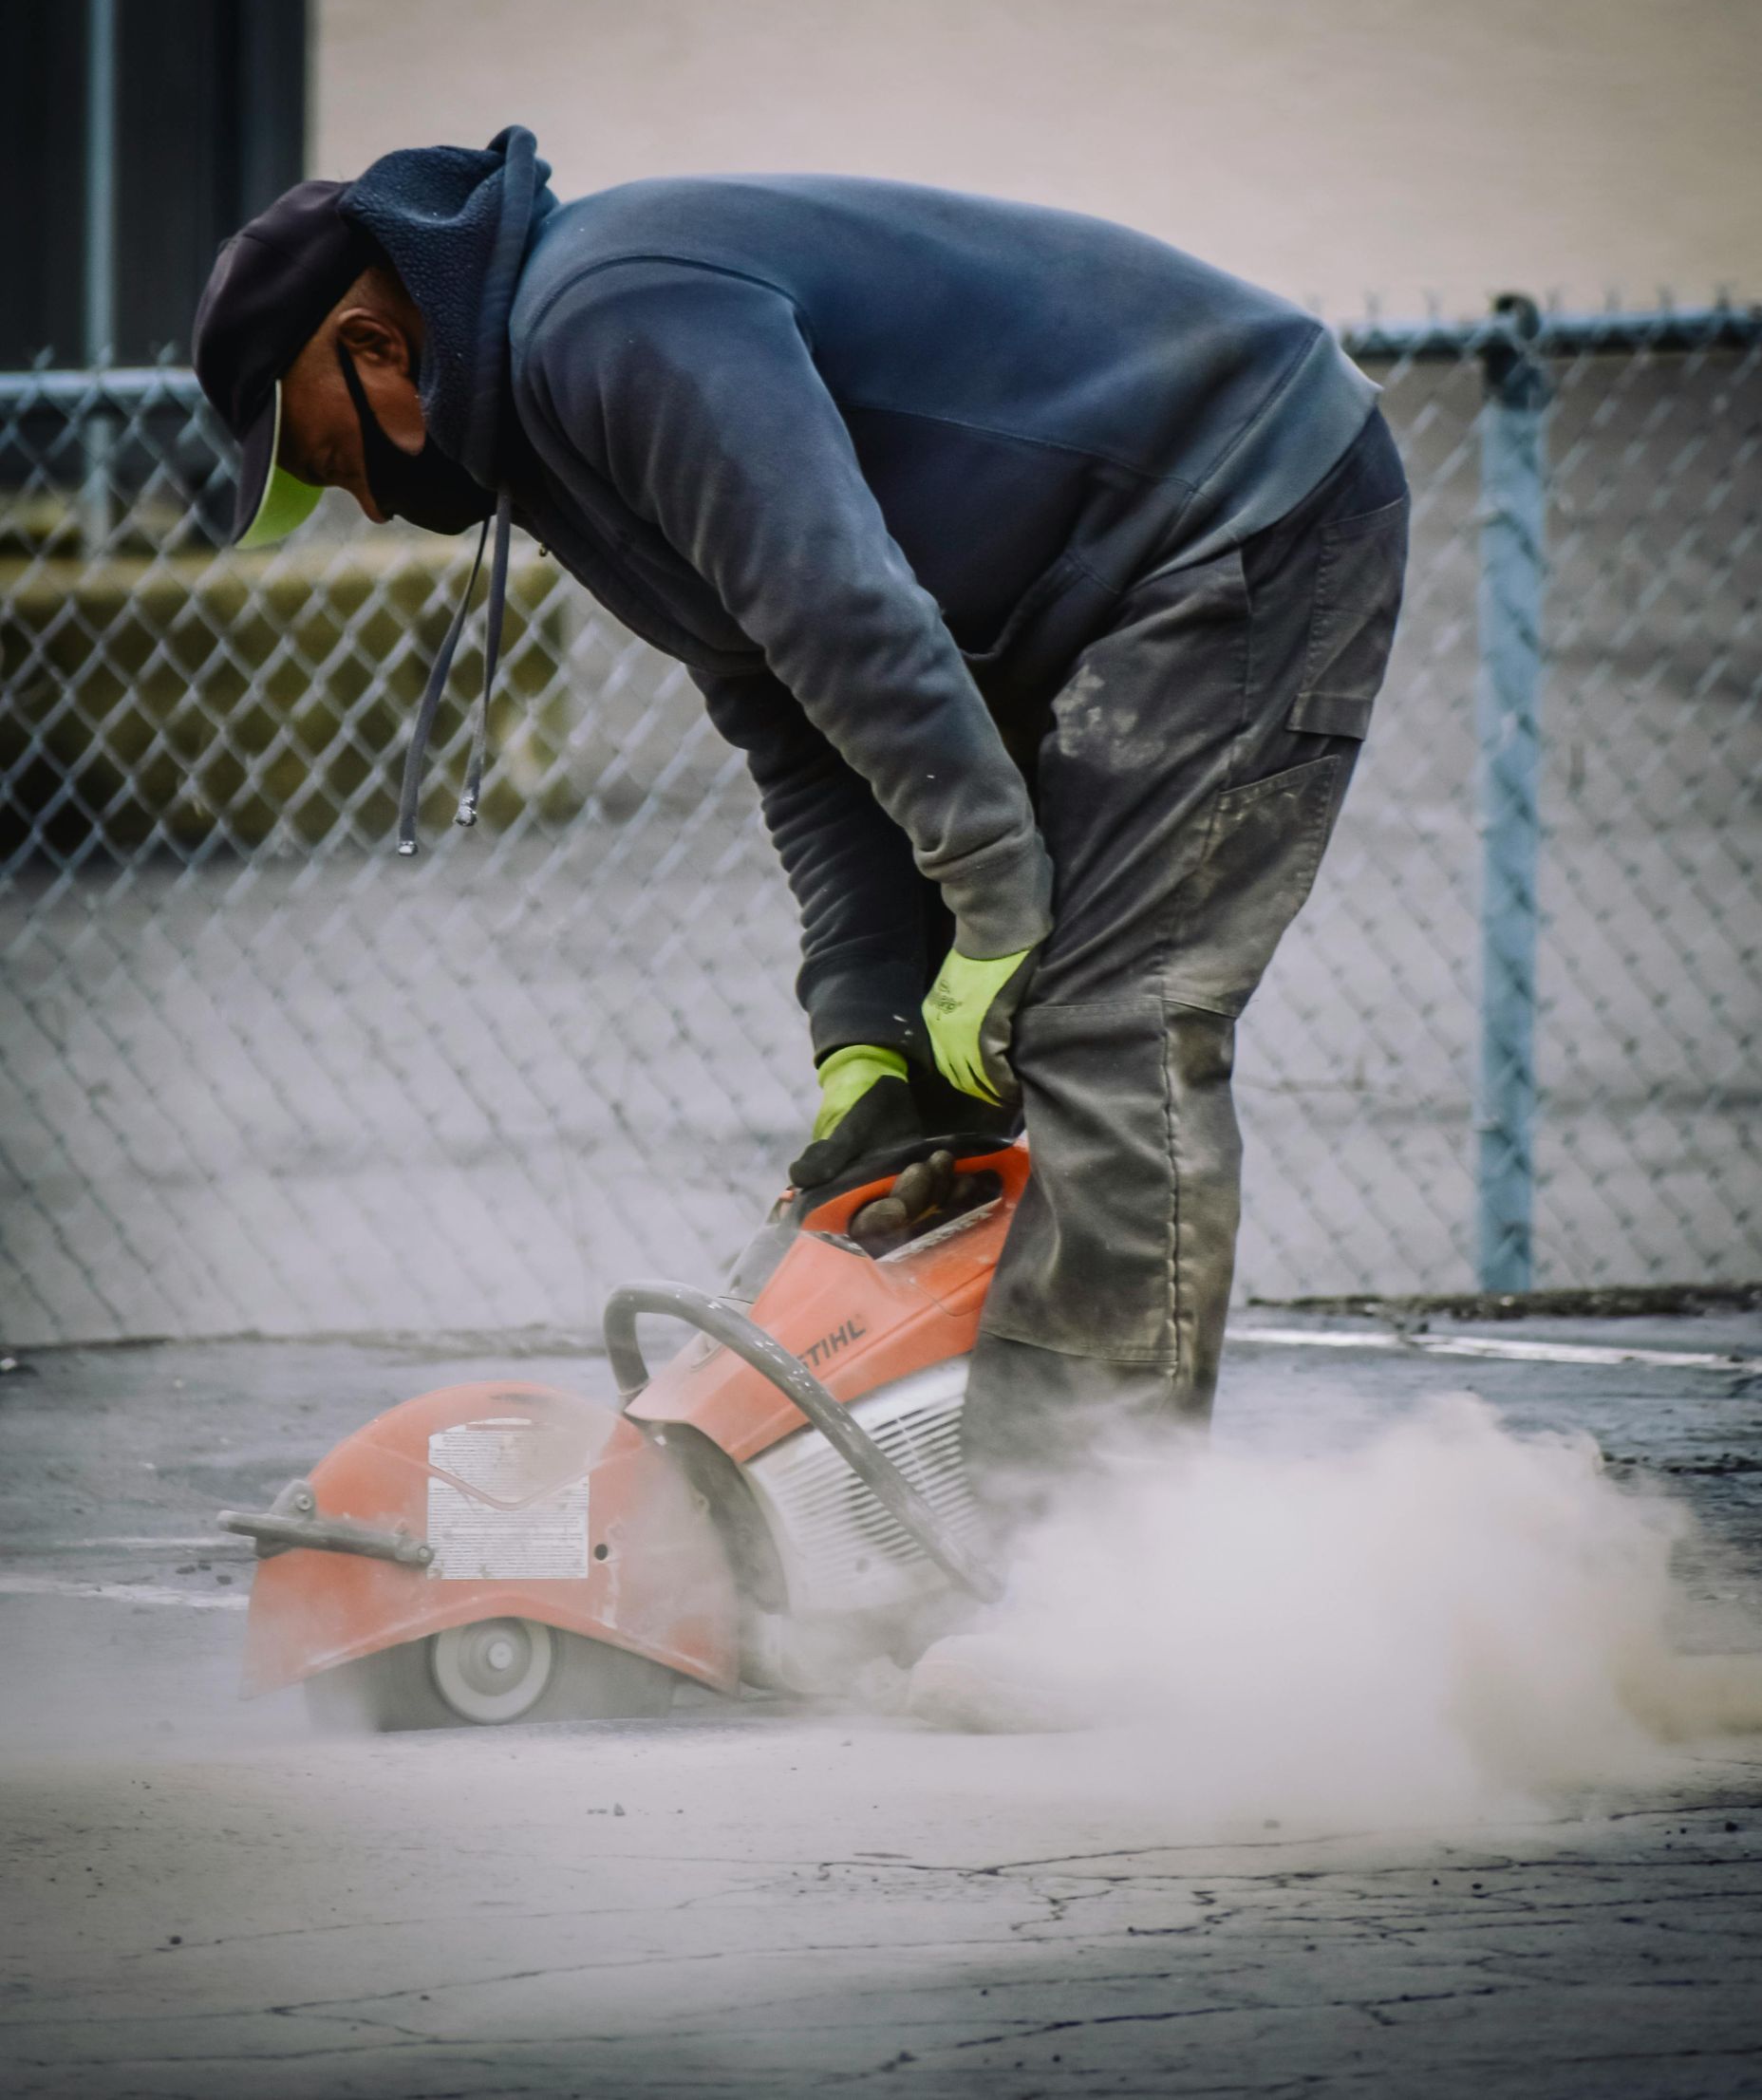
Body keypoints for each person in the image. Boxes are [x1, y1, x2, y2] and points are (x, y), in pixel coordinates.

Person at [193, 125, 1407, 1508]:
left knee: (1102, 1016)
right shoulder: (546, 433)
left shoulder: (609, 320)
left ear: (377, 346)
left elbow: (846, 611)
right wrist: (864, 1034)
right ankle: (950, 1516)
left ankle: (1095, 1567)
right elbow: (790, 715)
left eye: (325, 451)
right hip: (1075, 579)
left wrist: (999, 906)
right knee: (949, 1081)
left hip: (1235, 502)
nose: (353, 498)